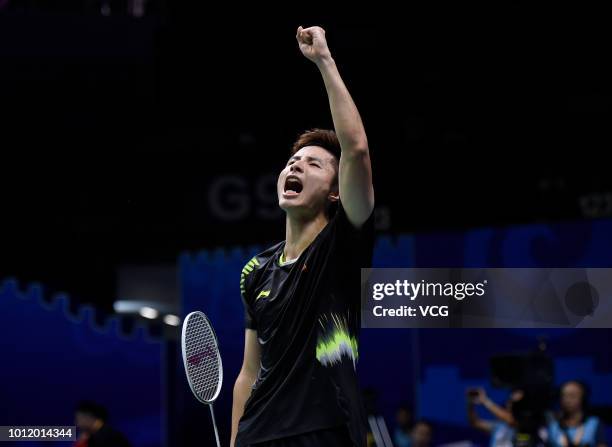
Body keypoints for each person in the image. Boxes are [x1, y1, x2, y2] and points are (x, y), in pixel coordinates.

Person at [230, 25, 375, 447]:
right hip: (259, 434)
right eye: (293, 160)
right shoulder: (255, 270)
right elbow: (249, 372)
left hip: (325, 429)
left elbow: (357, 150)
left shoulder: (344, 243)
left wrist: (323, 60)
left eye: (313, 164)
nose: (295, 167)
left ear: (335, 190)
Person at [544, 381, 607, 447]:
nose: (567, 400)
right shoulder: (553, 426)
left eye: (572, 396)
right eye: (563, 396)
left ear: (583, 398)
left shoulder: (593, 423)